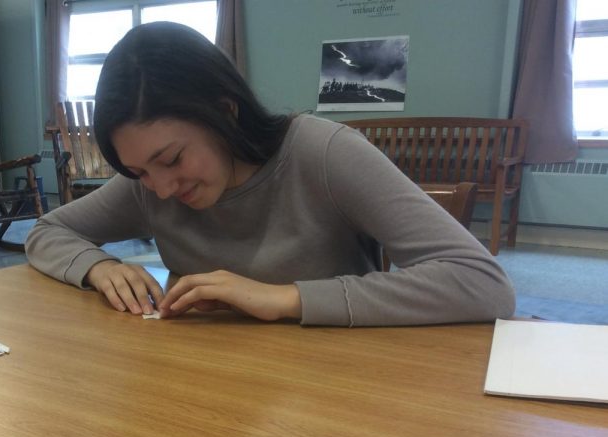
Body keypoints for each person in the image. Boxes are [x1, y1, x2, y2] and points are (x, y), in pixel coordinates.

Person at [26, 22, 515, 327]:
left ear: (225, 111)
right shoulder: (148, 185)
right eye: (138, 170)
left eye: (173, 159)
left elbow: (483, 283)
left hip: (334, 394)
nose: (162, 188)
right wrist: (100, 267)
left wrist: (285, 299)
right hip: (204, 390)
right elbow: (48, 230)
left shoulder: (323, 154)